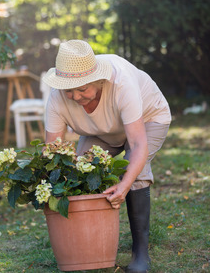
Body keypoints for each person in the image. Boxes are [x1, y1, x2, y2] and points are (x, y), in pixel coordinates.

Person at [42, 40, 171, 273]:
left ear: (99, 81)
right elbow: (52, 149)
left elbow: (138, 143)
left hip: (150, 120)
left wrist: (124, 185)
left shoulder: (122, 83)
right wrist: (50, 185)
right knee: (81, 171)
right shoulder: (57, 98)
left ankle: (141, 253)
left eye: (82, 89)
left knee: (136, 171)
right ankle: (90, 243)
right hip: (101, 131)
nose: (76, 96)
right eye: (69, 89)